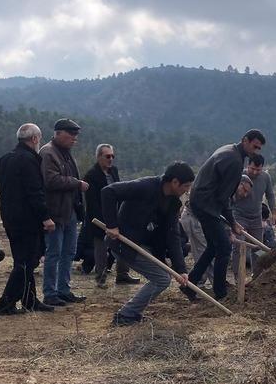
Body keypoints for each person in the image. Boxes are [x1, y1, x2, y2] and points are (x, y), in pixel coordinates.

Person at [102, 162, 195, 326]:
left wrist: (181, 269)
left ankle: (131, 313)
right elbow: (108, 192)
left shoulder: (173, 203)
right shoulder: (145, 186)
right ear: (174, 182)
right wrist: (112, 225)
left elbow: (173, 236)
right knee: (162, 279)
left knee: (162, 278)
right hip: (124, 242)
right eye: (186, 186)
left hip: (146, 245)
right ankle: (126, 315)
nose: (187, 190)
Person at [184, 129, 265, 301]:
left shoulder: (230, 150)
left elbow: (222, 196)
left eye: (259, 149)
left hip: (201, 202)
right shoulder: (234, 161)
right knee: (225, 247)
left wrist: (230, 222)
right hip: (206, 205)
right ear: (245, 140)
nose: (255, 151)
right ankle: (221, 292)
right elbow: (223, 198)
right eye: (254, 146)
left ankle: (189, 284)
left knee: (214, 246)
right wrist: (233, 222)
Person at [0, 123, 57, 315]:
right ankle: (5, 304)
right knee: (26, 263)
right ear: (35, 139)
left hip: (10, 217)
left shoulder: (5, 159)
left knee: (24, 262)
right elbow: (34, 192)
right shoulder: (30, 160)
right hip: (27, 220)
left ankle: (29, 300)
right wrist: (45, 217)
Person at [39, 118, 89, 307]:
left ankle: (64, 290)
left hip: (69, 211)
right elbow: (51, 180)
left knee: (69, 252)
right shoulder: (48, 152)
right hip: (55, 212)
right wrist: (77, 183)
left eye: (76, 135)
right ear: (58, 133)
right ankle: (50, 293)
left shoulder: (66, 154)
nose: (74, 138)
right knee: (54, 253)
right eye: (71, 134)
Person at [84, 143, 138, 288]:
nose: (111, 159)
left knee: (123, 246)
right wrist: (104, 222)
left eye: (112, 156)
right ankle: (100, 278)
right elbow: (92, 203)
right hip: (99, 219)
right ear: (99, 157)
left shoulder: (114, 171)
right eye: (107, 156)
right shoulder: (91, 175)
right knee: (101, 249)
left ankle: (123, 275)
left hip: (117, 216)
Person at [231, 154, 276, 275]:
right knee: (238, 247)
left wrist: (274, 213)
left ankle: (256, 275)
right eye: (252, 169)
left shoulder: (266, 177)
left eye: (258, 170)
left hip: (256, 217)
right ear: (248, 165)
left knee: (258, 247)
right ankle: (238, 277)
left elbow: (270, 195)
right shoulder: (239, 175)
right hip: (239, 216)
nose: (255, 172)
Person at [180, 201, 212, 286]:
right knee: (204, 251)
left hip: (194, 215)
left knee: (202, 251)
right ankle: (197, 281)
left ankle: (197, 281)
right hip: (194, 217)